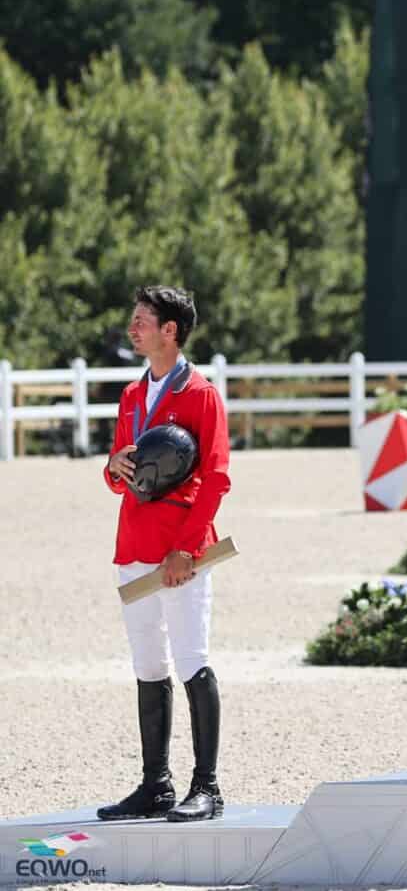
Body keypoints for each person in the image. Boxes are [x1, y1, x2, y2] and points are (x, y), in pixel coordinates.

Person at [98, 286, 231, 823]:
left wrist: (185, 549)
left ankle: (208, 787)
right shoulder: (131, 396)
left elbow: (217, 479)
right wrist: (114, 466)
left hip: (182, 553)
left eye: (141, 321)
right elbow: (118, 476)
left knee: (193, 661)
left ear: (169, 331)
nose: (133, 329)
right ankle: (156, 785)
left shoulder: (201, 395)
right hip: (133, 543)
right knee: (148, 666)